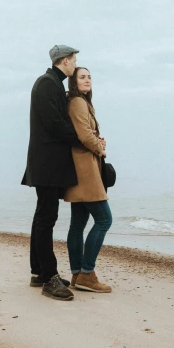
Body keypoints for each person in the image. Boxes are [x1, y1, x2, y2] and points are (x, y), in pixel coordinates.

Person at [21, 44, 80, 301]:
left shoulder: (52, 83)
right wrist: (82, 138)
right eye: (74, 60)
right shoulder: (47, 83)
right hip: (47, 163)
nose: (76, 65)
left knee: (42, 217)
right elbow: (55, 123)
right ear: (64, 61)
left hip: (47, 162)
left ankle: (40, 273)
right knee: (47, 219)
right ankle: (49, 278)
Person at [64, 66, 113, 293]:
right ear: (73, 81)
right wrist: (100, 149)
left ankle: (77, 274)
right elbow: (84, 134)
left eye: (90, 77)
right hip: (85, 169)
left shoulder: (80, 102)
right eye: (82, 77)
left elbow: (84, 133)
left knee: (78, 224)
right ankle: (86, 273)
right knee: (104, 220)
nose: (87, 80)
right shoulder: (77, 102)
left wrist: (97, 141)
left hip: (79, 168)